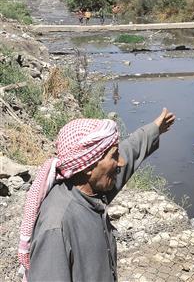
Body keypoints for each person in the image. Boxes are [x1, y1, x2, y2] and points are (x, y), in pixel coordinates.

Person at [18, 108, 176, 281]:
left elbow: (129, 152)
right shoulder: (57, 225)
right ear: (87, 167)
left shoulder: (91, 190)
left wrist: (153, 130)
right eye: (114, 156)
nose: (121, 163)